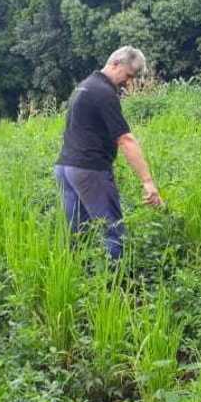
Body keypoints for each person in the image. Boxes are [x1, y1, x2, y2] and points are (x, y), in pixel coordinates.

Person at [54, 46, 164, 261]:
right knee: (113, 231)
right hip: (89, 170)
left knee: (77, 235)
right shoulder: (103, 93)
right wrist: (148, 182)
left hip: (65, 168)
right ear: (115, 64)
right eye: (128, 76)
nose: (128, 83)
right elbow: (126, 139)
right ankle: (119, 287)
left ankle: (79, 281)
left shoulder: (84, 86)